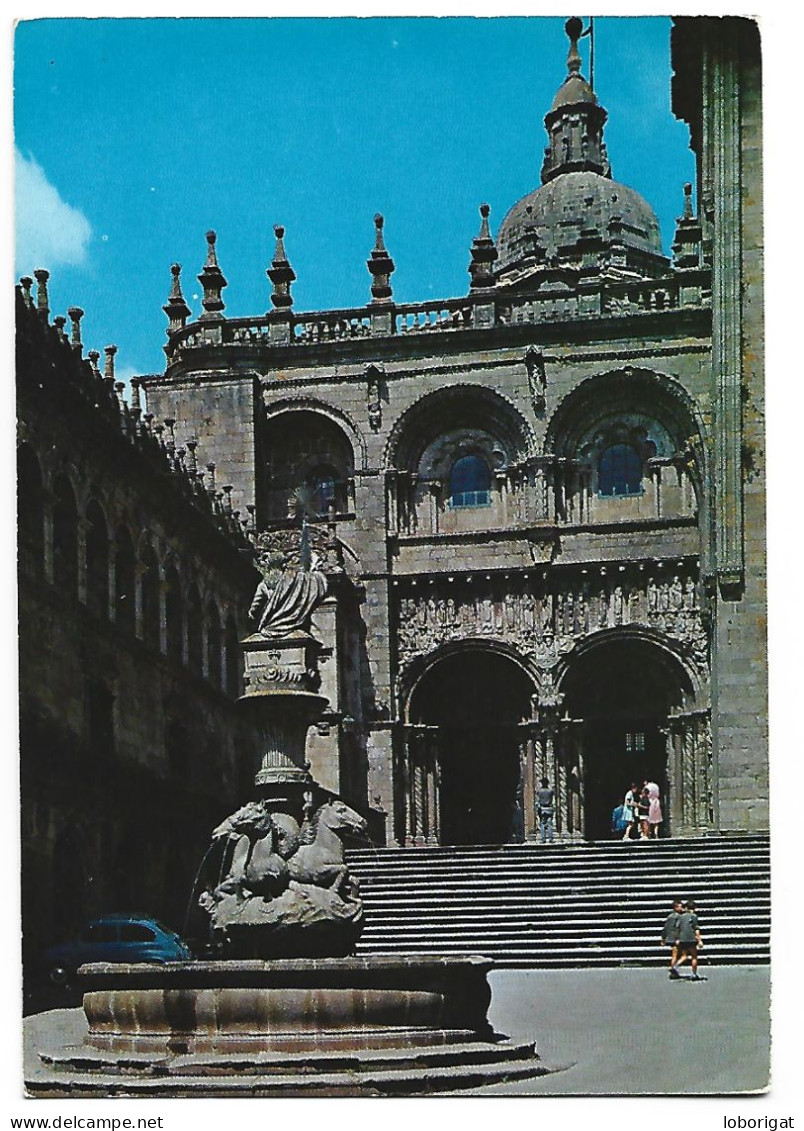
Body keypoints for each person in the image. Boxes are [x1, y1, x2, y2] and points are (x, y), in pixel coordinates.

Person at [674, 899, 704, 979]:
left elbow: (677, 928)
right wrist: (699, 940)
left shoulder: (680, 917)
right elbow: (696, 928)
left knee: (684, 955)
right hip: (691, 938)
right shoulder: (693, 916)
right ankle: (694, 974)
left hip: (682, 938)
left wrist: (677, 938)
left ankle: (675, 966)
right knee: (694, 956)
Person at [662, 898, 684, 978]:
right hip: (675, 938)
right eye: (680, 907)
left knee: (674, 954)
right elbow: (678, 927)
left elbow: (665, 928)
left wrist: (663, 938)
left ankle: (674, 970)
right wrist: (678, 938)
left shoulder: (669, 916)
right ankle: (673, 969)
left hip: (670, 938)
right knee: (676, 955)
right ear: (675, 908)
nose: (681, 908)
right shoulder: (679, 917)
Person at [537, 778, 555, 843]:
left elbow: (538, 798)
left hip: (542, 809)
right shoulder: (550, 791)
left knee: (542, 824)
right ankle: (550, 838)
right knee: (549, 824)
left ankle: (543, 838)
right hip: (549, 809)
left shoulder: (539, 791)